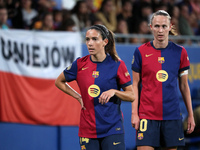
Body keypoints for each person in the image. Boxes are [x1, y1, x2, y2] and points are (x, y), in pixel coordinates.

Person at [55, 24, 135, 150]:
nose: (90, 43)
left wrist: (114, 92)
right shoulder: (79, 64)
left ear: (105, 42)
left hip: (112, 128)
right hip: (87, 130)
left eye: (94, 39)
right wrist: (78, 97)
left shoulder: (117, 65)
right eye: (87, 39)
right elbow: (59, 82)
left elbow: (131, 96)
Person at [131, 10, 195, 150]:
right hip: (146, 116)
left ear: (170, 27)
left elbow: (184, 86)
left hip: (172, 116)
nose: (160, 30)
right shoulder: (140, 51)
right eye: (157, 26)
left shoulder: (180, 52)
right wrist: (134, 113)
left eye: (164, 26)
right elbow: (134, 84)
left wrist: (190, 114)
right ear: (151, 27)